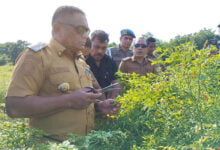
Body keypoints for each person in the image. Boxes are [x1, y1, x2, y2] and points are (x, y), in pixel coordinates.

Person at [5, 5, 120, 142]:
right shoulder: (37, 56)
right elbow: (14, 107)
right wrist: (69, 100)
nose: (85, 36)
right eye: (80, 30)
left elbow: (82, 101)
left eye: (87, 31)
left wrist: (99, 106)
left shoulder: (80, 61)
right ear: (57, 28)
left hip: (85, 144)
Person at [86, 30, 120, 98]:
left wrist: (111, 101)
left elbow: (116, 82)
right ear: (90, 44)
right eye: (96, 47)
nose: (100, 51)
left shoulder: (110, 61)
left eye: (104, 48)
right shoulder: (83, 61)